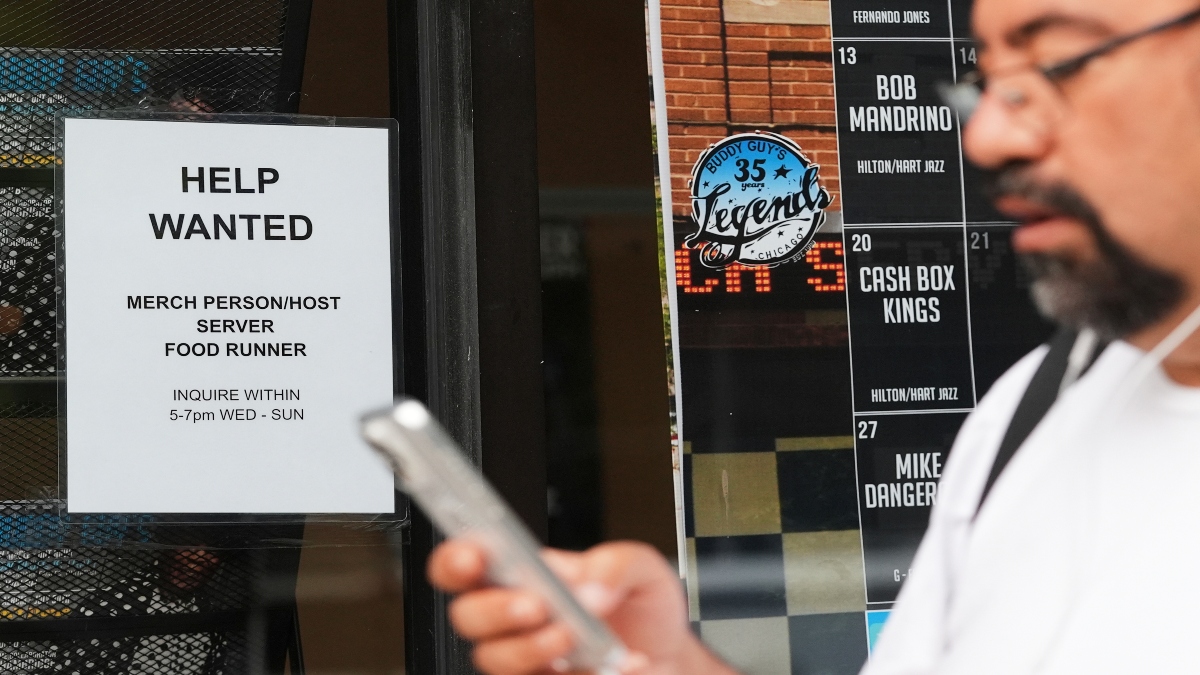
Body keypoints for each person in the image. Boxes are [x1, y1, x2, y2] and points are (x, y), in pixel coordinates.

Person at [429, 0, 1200, 672]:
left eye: (1057, 63)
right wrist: (672, 662)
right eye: (988, 82)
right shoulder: (1033, 409)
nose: (988, 137)